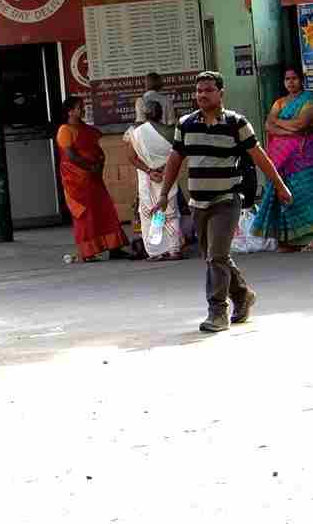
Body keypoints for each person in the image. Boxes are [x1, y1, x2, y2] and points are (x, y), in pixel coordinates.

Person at [156, 71, 293, 333]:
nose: (202, 95)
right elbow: (175, 160)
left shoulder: (236, 123)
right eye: (198, 91)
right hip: (198, 203)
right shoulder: (185, 124)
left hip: (226, 200)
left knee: (216, 256)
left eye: (208, 90)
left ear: (221, 93)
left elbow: (259, 156)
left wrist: (279, 185)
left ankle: (217, 312)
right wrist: (163, 194)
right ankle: (243, 295)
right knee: (214, 256)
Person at [55, 95, 131, 262]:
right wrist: (90, 167)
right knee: (85, 216)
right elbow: (71, 156)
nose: (83, 109)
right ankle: (88, 252)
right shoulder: (65, 130)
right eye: (79, 107)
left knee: (106, 211)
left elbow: (97, 150)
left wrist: (99, 165)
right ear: (69, 112)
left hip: (94, 178)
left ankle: (114, 248)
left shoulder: (87, 129)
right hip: (76, 183)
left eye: (82, 106)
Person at [249, 67, 313, 251]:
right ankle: (289, 241)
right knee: (282, 195)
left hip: (304, 156)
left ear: (301, 80)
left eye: (294, 78)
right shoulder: (280, 102)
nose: (290, 82)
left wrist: (280, 124)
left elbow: (302, 123)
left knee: (306, 195)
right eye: (287, 79)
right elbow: (269, 125)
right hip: (282, 157)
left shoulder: (309, 99)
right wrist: (290, 130)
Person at [124, 98, 184, 260]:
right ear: (161, 113)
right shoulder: (172, 131)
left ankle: (156, 251)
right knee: (170, 212)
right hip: (167, 177)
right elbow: (178, 155)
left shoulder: (136, 133)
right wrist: (164, 169)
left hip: (148, 179)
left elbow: (131, 158)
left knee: (150, 213)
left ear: (144, 114)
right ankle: (174, 249)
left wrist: (150, 171)